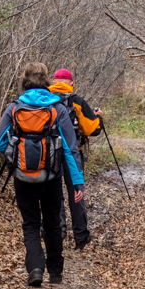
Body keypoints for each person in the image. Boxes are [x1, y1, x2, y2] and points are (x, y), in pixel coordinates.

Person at [0, 62, 84, 287]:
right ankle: (55, 272)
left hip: (22, 177)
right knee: (52, 223)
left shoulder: (14, 108)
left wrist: (15, 150)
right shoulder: (57, 109)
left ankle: (35, 268)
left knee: (31, 224)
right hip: (51, 177)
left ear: (24, 80)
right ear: (46, 81)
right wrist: (77, 182)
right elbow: (70, 150)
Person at [49, 68, 103, 249]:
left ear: (54, 81)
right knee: (76, 194)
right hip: (73, 154)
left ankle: (58, 230)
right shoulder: (77, 102)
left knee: (54, 194)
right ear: (71, 83)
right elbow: (92, 130)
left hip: (48, 155)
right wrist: (99, 118)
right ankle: (81, 237)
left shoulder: (45, 101)